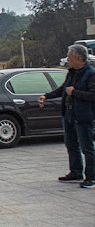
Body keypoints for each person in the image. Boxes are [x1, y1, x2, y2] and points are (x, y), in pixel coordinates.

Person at [39, 44, 95, 188]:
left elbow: (92, 95)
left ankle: (91, 177)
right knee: (71, 144)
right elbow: (63, 89)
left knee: (87, 147)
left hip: (83, 116)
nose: (67, 60)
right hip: (69, 113)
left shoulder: (90, 74)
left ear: (79, 58)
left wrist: (75, 92)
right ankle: (75, 171)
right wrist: (47, 96)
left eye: (69, 57)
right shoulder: (71, 72)